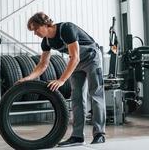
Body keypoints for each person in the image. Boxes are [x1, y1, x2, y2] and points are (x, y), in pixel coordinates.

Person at [17, 12, 106, 146]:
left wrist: (62, 80)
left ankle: (99, 134)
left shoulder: (66, 29)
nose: (35, 33)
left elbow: (75, 56)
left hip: (91, 58)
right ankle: (77, 136)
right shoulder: (46, 42)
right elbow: (43, 64)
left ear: (45, 24)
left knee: (95, 94)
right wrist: (28, 78)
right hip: (76, 63)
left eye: (35, 29)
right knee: (76, 98)